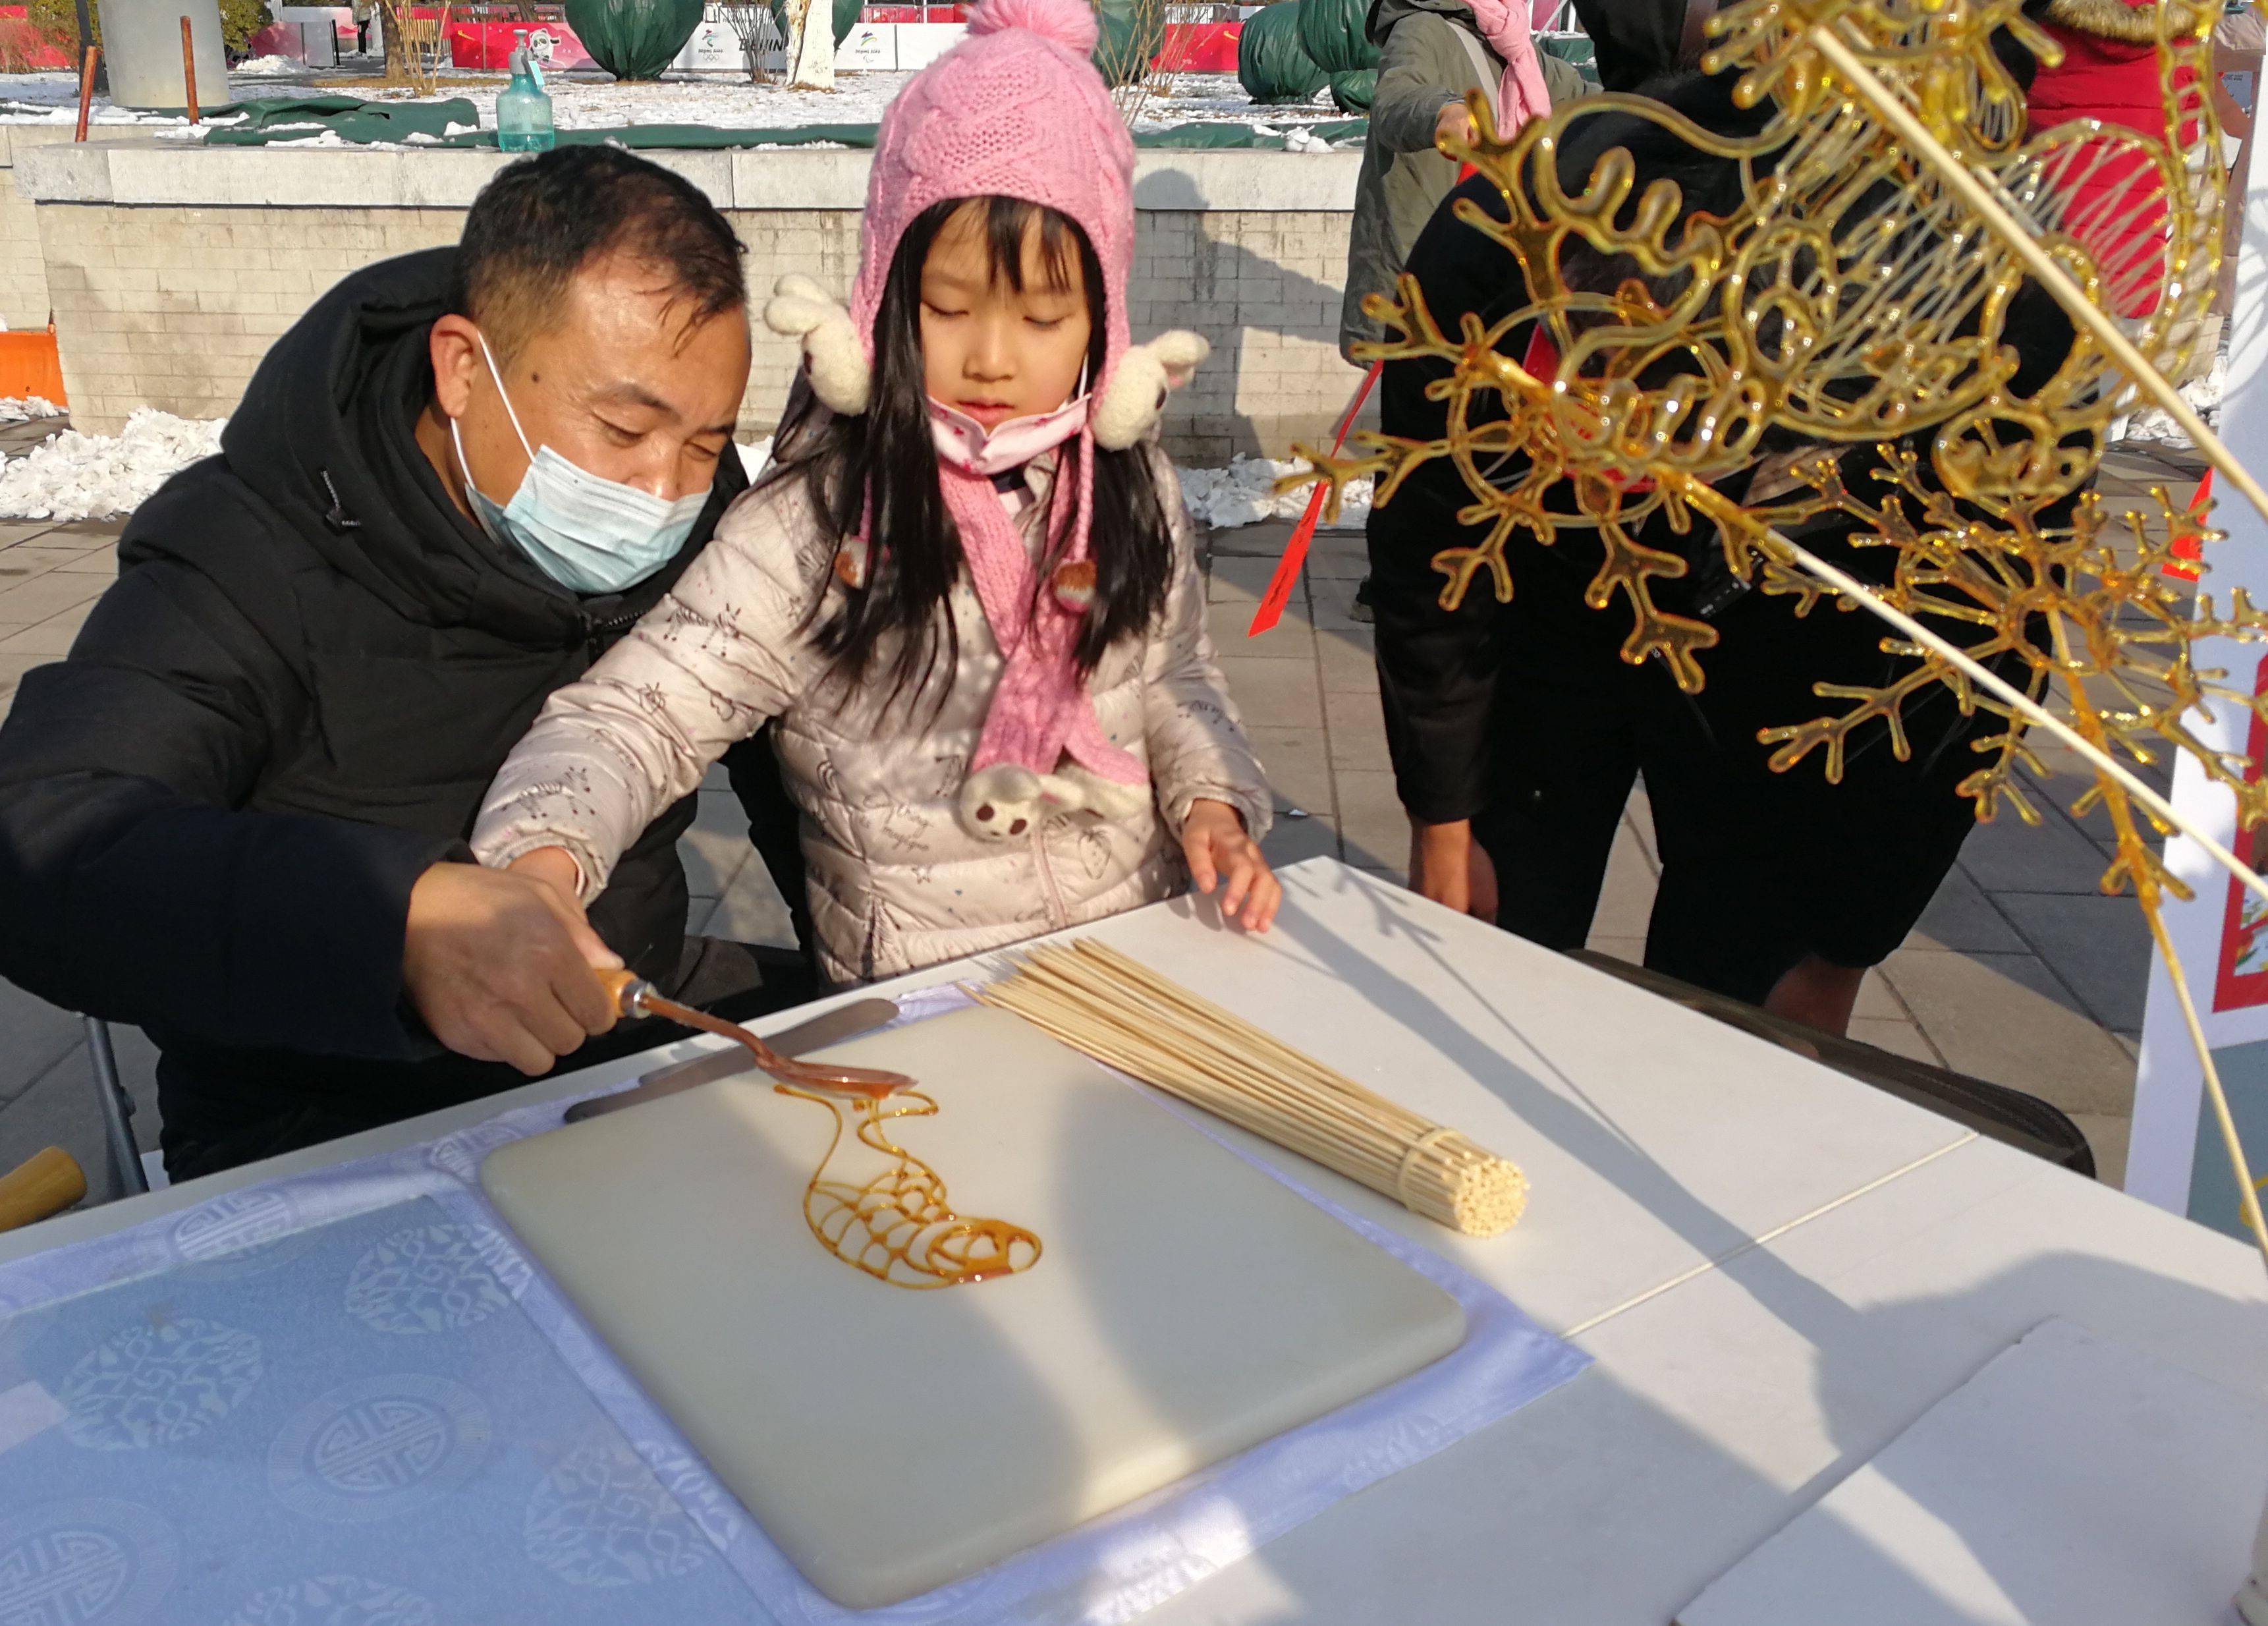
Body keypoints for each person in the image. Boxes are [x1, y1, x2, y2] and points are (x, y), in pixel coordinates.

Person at [0, 146, 814, 1181]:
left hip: (623, 1025)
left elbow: (792, 760)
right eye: (621, 430)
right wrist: (395, 921)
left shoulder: (693, 507)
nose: (661, 492)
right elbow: (45, 829)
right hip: (326, 1106)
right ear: (463, 370)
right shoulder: (253, 542)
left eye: (703, 444)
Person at [470, 0, 1280, 986]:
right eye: (946, 307)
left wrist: (1212, 808)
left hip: (1128, 967)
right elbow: (641, 713)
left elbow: (1173, 678)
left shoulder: (1122, 484)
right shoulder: (822, 520)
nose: (991, 356)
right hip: (924, 1008)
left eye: (1041, 315)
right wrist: (541, 865)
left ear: (1101, 319)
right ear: (884, 299)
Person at [1371, 28, 2078, 1034]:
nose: (1634, 440)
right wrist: (1442, 813)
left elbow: (1978, 661)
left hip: (1796, 634)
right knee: (1484, 954)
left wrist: (1840, 942)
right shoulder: (1503, 228)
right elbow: (1428, 541)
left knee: (1737, 1015)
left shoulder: (1989, 310)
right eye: (1602, 377)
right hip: (1545, 600)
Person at [1341, 0, 1578, 622]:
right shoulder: (1423, 29)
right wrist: (1446, 114)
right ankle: (1392, 588)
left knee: (1466, 443)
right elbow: (1396, 100)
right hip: (1422, 284)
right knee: (1415, 445)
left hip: (1487, 285)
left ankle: (1458, 573)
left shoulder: (1517, 53)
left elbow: (1592, 101)